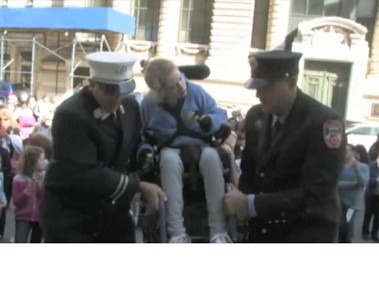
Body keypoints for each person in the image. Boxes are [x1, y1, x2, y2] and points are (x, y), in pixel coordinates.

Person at [41, 52, 166, 243]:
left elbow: (133, 144)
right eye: (109, 90)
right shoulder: (72, 115)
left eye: (123, 89)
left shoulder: (130, 106)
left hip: (114, 213)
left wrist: (144, 155)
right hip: (72, 217)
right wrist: (139, 187)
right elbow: (86, 173)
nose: (117, 98)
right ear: (92, 85)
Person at [224, 50, 346, 243]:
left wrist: (251, 204)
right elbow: (250, 171)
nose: (258, 94)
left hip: (306, 233)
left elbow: (317, 194)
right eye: (256, 86)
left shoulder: (323, 122)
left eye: (266, 87)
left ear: (291, 82)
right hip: (263, 232)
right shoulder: (257, 115)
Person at [140, 58, 235, 243]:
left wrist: (209, 121)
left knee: (210, 157)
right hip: (171, 149)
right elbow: (142, 135)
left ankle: (218, 231)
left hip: (202, 145)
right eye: (173, 85)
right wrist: (144, 151)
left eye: (181, 79)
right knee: (167, 160)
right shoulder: (148, 105)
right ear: (159, 89)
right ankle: (177, 232)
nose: (181, 86)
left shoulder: (196, 92)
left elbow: (217, 114)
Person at [12, 145, 47, 243]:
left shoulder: (44, 177)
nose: (44, 162)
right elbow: (17, 202)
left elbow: (44, 198)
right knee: (20, 241)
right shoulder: (18, 179)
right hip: (23, 216)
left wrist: (40, 185)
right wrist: (25, 193)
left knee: (36, 241)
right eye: (41, 160)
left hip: (39, 217)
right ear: (33, 161)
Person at [338, 144, 369, 243]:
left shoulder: (363, 167)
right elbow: (335, 183)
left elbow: (363, 183)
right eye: (343, 150)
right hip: (339, 202)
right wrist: (352, 184)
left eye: (348, 150)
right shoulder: (339, 166)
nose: (345, 152)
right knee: (339, 229)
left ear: (353, 152)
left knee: (348, 228)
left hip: (353, 205)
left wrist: (355, 168)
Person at [362, 151, 379, 242]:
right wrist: (376, 180)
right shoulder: (371, 167)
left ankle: (374, 234)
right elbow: (367, 180)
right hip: (370, 194)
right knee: (368, 213)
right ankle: (365, 232)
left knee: (378, 216)